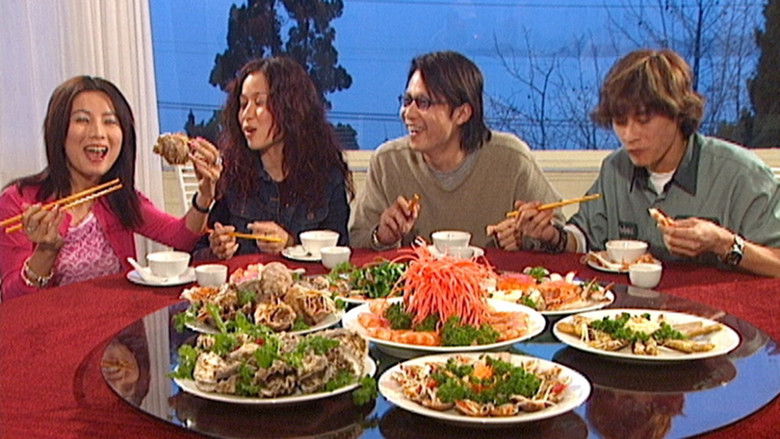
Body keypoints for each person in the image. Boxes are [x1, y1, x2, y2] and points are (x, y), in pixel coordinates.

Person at [513, 49, 780, 277]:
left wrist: (723, 243)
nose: (629, 135)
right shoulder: (615, 169)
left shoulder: (741, 174)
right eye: (620, 121)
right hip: (632, 314)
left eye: (643, 120)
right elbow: (583, 239)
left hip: (722, 317)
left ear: (678, 112)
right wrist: (551, 236)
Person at [0, 76, 222, 300]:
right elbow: (12, 301)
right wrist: (46, 252)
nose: (98, 132)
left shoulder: (118, 198)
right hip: (54, 323)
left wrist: (204, 196)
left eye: (110, 121)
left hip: (122, 321)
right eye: (82, 120)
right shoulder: (18, 201)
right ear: (58, 131)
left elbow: (181, 237)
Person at [349, 50, 561, 250]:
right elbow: (356, 239)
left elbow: (563, 235)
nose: (407, 113)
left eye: (423, 102)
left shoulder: (512, 159)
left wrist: (530, 236)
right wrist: (382, 236)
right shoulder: (388, 162)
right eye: (407, 101)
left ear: (462, 114)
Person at [197, 56, 352, 260]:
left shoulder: (326, 173)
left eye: (259, 102)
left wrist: (291, 244)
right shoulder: (232, 172)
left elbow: (339, 257)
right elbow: (195, 253)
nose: (246, 115)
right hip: (245, 279)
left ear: (290, 108)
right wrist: (216, 249)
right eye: (243, 104)